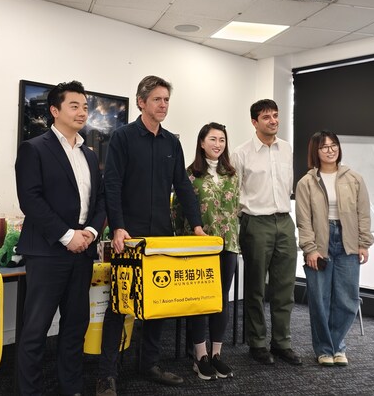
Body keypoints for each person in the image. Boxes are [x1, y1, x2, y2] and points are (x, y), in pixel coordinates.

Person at [96, 75, 205, 396]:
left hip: (162, 236)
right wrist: (117, 226)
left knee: (158, 302)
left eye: (167, 100)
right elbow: (111, 185)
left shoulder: (172, 142)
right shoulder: (123, 137)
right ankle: (107, 373)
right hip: (128, 236)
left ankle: (149, 364)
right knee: (120, 305)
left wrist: (197, 225)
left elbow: (183, 188)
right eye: (157, 99)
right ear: (141, 102)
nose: (163, 105)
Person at [15, 81, 106, 396]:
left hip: (82, 251)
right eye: (74, 106)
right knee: (35, 330)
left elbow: (100, 201)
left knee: (75, 326)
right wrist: (67, 235)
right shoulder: (34, 148)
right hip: (47, 251)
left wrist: (91, 233)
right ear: (54, 111)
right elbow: (31, 200)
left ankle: (71, 388)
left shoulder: (90, 155)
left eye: (84, 106)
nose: (82, 112)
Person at [232, 99, 302, 366]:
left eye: (275, 115)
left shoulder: (286, 149)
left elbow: (288, 186)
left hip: (284, 221)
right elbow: (235, 191)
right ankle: (257, 343)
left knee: (285, 289)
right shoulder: (241, 153)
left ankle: (282, 342)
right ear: (254, 122)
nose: (273, 121)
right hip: (256, 223)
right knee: (256, 288)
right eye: (266, 117)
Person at [295, 130, 374, 366]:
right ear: (315, 152)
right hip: (320, 242)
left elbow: (363, 213)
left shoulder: (354, 178)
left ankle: (337, 345)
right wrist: (309, 248)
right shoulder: (306, 182)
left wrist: (364, 243)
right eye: (324, 147)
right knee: (320, 299)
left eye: (334, 145)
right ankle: (324, 349)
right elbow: (303, 219)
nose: (330, 150)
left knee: (348, 300)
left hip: (347, 240)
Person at [172, 122, 240, 380]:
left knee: (221, 299)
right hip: (197, 246)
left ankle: (216, 354)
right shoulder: (189, 174)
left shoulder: (232, 174)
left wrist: (234, 240)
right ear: (201, 142)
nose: (218, 144)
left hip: (227, 245)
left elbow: (235, 211)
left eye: (222, 140)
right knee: (199, 300)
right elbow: (177, 210)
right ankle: (199, 355)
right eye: (213, 139)